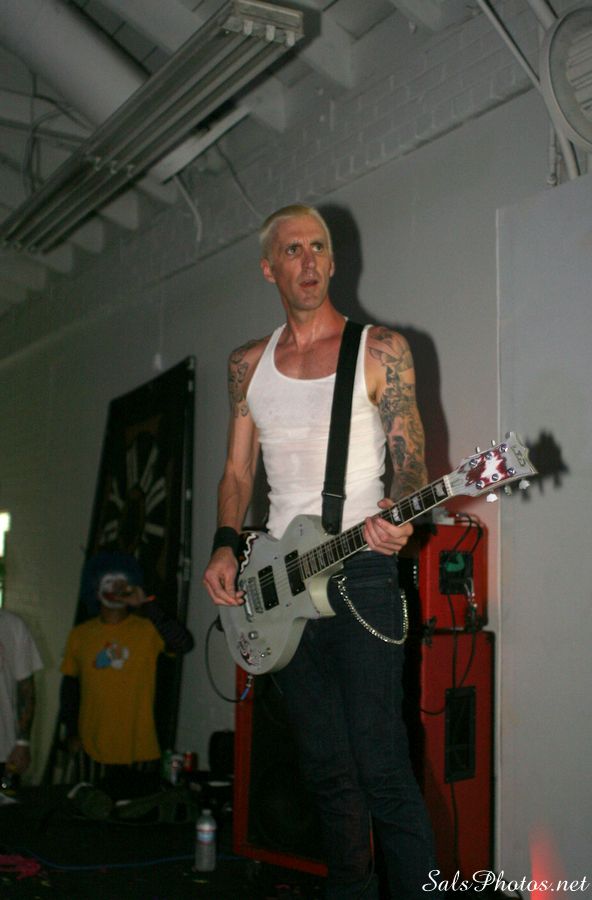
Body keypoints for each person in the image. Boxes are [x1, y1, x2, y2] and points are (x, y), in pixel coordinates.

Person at [203, 204, 439, 898]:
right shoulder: (247, 364)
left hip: (362, 569)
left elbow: (411, 459)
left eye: (317, 247)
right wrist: (224, 546)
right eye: (292, 250)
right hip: (278, 579)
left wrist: (401, 512)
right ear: (268, 268)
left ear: (333, 262)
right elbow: (237, 474)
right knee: (328, 775)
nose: (307, 260)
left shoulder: (381, 349)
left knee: (382, 769)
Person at [60, 551, 193, 787]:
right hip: (92, 746)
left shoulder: (148, 630)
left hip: (140, 746)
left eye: (123, 583)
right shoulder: (80, 635)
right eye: (110, 582)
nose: (117, 589)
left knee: (137, 807)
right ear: (96, 588)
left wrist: (147, 604)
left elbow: (183, 643)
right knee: (92, 806)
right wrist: (71, 733)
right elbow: (70, 687)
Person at [0, 608, 43, 785]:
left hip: (4, 749)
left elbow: (26, 690)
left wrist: (23, 742)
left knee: (6, 801)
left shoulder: (12, 625)